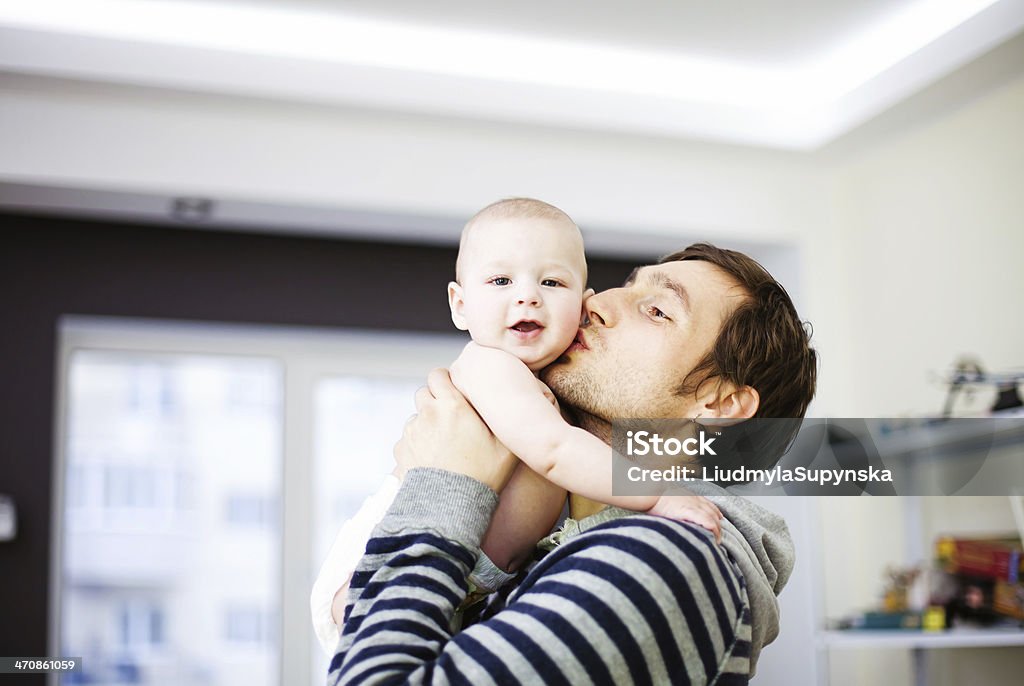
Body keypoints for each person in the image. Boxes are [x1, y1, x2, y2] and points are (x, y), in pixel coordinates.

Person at [326, 241, 817, 685]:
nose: (595, 303)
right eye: (625, 285)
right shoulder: (544, 543)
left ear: (719, 402)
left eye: (656, 310)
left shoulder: (663, 560)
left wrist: (445, 483)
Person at [311, 199, 723, 654]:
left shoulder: (563, 390)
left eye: (551, 281)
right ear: (461, 305)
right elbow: (554, 450)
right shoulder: (491, 368)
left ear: (583, 305)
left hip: (469, 582)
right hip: (372, 567)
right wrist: (659, 493)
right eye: (501, 281)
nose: (526, 296)